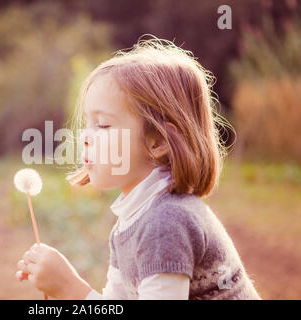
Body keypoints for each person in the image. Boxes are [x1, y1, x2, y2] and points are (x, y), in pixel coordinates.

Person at [15, 37, 261, 300]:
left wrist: (69, 289)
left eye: (103, 125)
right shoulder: (132, 221)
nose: (84, 137)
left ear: (157, 142)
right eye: (87, 123)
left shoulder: (166, 222)